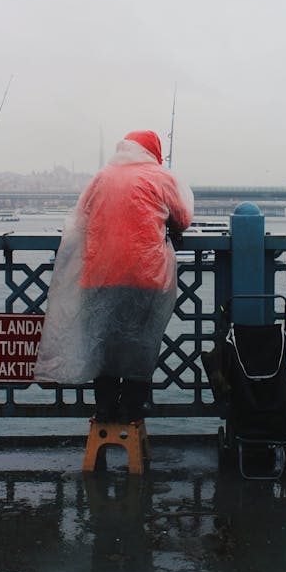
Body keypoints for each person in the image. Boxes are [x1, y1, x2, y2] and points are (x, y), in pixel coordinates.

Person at [34, 130, 194, 423]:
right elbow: (183, 218)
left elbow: (81, 216)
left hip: (98, 276)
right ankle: (132, 407)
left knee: (102, 343)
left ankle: (105, 408)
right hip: (145, 277)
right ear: (153, 152)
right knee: (141, 344)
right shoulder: (161, 177)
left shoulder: (101, 177)